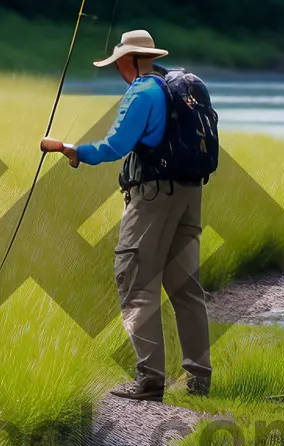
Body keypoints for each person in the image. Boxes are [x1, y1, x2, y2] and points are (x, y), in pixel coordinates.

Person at [41, 29, 213, 402]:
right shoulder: (176, 87)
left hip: (153, 196)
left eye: (118, 62)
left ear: (127, 60)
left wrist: (71, 150)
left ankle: (150, 380)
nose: (117, 67)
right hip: (190, 192)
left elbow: (114, 146)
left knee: (135, 281)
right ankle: (200, 380)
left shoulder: (141, 93)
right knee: (186, 289)